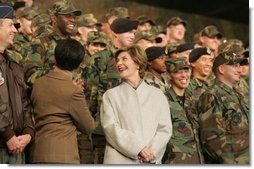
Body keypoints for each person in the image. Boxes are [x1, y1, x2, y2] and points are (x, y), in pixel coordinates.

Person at [100, 45, 172, 164]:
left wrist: (150, 152)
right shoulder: (110, 95)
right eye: (117, 60)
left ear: (138, 63)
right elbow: (110, 128)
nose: (119, 63)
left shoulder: (157, 95)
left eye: (124, 59)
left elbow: (165, 129)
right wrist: (139, 148)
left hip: (150, 161)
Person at [30, 38, 95, 164]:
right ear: (79, 64)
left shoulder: (38, 84)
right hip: (63, 156)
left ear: (55, 57)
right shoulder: (74, 91)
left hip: (38, 153)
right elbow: (88, 127)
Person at [197, 51, 249, 164]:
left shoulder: (236, 94)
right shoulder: (211, 95)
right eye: (235, 65)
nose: (240, 70)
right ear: (221, 69)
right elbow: (212, 139)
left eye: (240, 66)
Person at [0, 2, 35, 164]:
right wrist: (7, 134)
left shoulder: (14, 66)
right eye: (10, 26)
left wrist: (28, 132)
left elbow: (25, 102)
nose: (15, 30)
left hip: (18, 147)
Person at [162, 57, 204, 164]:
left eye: (186, 71)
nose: (184, 75)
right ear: (168, 75)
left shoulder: (194, 100)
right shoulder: (162, 101)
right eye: (178, 72)